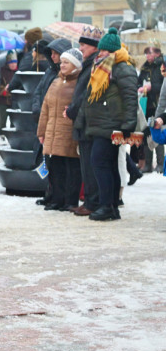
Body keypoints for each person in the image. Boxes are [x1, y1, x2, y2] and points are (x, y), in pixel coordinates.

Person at [77, 28, 138, 221]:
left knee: (100, 163)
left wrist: (128, 124)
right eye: (100, 50)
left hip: (112, 124)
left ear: (112, 51)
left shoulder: (122, 68)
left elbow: (130, 98)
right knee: (108, 165)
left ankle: (106, 205)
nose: (100, 53)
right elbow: (89, 98)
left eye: (104, 51)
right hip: (101, 124)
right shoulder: (102, 68)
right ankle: (111, 207)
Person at [38, 48, 83, 211]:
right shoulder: (56, 81)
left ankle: (70, 201)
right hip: (52, 132)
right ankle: (56, 199)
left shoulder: (79, 82)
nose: (62, 65)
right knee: (56, 168)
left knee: (71, 169)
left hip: (69, 133)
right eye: (62, 62)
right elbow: (45, 108)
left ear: (75, 65)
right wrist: (41, 132)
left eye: (66, 62)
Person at [65, 26, 104, 216]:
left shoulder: (94, 65)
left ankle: (92, 202)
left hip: (88, 120)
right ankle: (89, 200)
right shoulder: (88, 64)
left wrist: (72, 110)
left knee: (90, 165)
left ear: (94, 47)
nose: (81, 49)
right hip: (83, 119)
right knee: (86, 164)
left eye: (83, 46)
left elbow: (84, 95)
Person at [139, 45, 164, 172]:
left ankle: (160, 163)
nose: (148, 56)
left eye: (150, 53)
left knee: (157, 132)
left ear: (157, 53)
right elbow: (139, 81)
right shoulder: (145, 67)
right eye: (146, 53)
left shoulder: (161, 66)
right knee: (147, 134)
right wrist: (140, 87)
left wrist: (151, 87)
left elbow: (163, 86)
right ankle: (148, 164)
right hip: (146, 105)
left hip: (157, 105)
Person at [0, 53, 18, 136]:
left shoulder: (18, 72)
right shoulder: (1, 71)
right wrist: (4, 89)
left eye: (15, 62)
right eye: (11, 62)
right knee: (2, 120)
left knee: (14, 121)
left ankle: (13, 136)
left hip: (14, 101)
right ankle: (2, 135)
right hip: (2, 100)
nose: (13, 64)